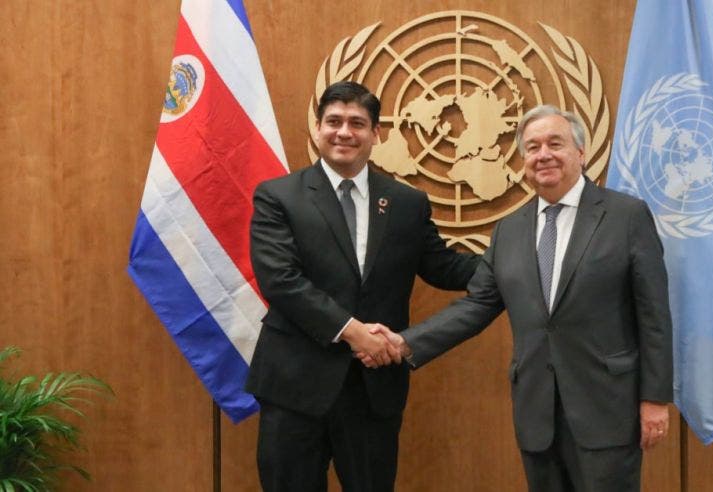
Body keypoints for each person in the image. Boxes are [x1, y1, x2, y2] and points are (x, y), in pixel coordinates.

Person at [363, 105, 673, 491]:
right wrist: (404, 342)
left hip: (608, 408)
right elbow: (477, 305)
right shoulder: (510, 229)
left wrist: (655, 398)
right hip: (536, 410)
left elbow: (654, 314)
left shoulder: (626, 216)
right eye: (532, 147)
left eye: (554, 144)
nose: (543, 155)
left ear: (580, 152)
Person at [245, 81, 479, 492]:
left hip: (373, 390)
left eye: (357, 123)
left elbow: (444, 268)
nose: (344, 132)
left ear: (376, 134)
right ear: (317, 129)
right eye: (333, 121)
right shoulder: (279, 196)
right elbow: (280, 280)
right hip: (296, 385)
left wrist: (519, 259)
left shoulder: (407, 203)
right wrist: (355, 333)